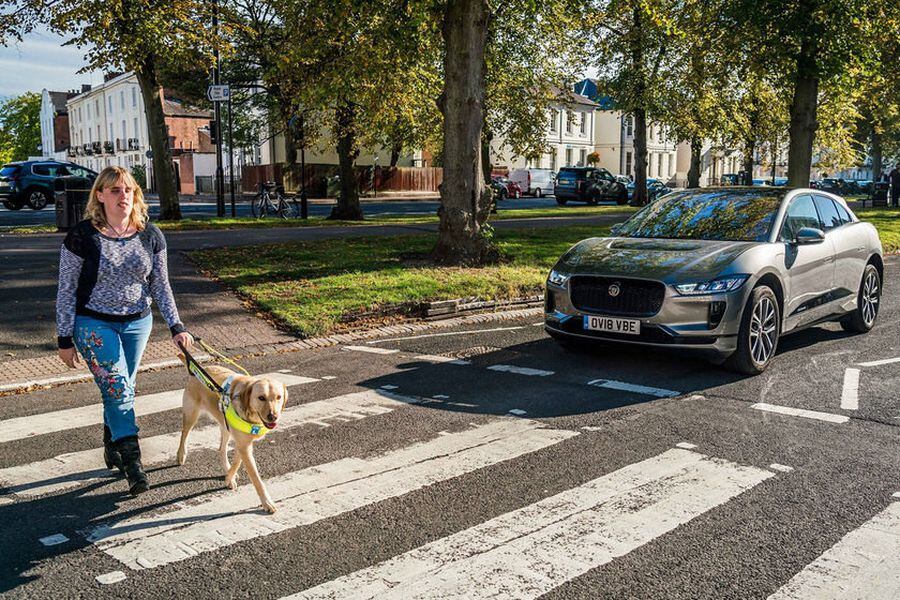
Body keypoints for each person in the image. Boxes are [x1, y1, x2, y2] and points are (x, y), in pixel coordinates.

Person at [56, 166, 193, 496]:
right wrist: (64, 337)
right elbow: (66, 289)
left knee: (122, 387)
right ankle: (134, 464)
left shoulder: (150, 234)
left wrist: (177, 326)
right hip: (93, 323)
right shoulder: (82, 236)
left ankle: (113, 443)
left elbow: (161, 285)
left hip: (137, 322)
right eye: (115, 190)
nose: (123, 196)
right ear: (100, 196)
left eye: (128, 189)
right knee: (117, 388)